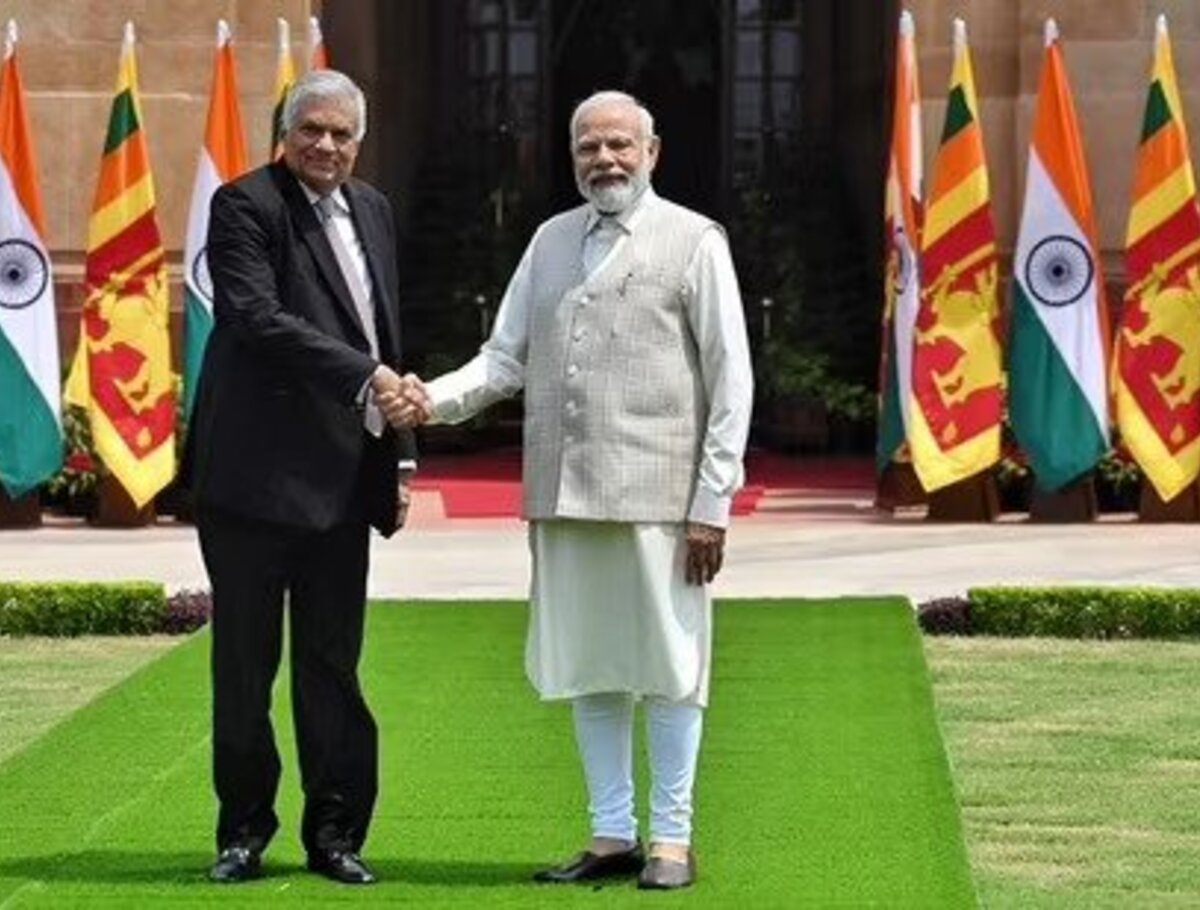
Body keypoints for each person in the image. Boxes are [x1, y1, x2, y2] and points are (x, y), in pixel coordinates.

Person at [386, 89, 753, 890]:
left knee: (671, 666)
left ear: (652, 151)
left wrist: (712, 504)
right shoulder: (551, 241)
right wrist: (430, 399)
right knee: (589, 665)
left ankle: (673, 840)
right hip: (563, 492)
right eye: (589, 147)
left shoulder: (695, 241)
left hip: (661, 496)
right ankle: (612, 832)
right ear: (573, 156)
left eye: (621, 144)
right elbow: (503, 358)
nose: (605, 160)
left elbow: (733, 381)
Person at [184, 69, 420, 886]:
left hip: (342, 481)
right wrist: (366, 377)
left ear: (361, 140)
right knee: (245, 670)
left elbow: (384, 332)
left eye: (342, 134)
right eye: (311, 130)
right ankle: (243, 834)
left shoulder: (376, 211)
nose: (326, 146)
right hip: (251, 482)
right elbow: (255, 317)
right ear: (282, 133)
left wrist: (399, 453)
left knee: (333, 669)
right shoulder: (246, 205)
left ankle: (335, 838)